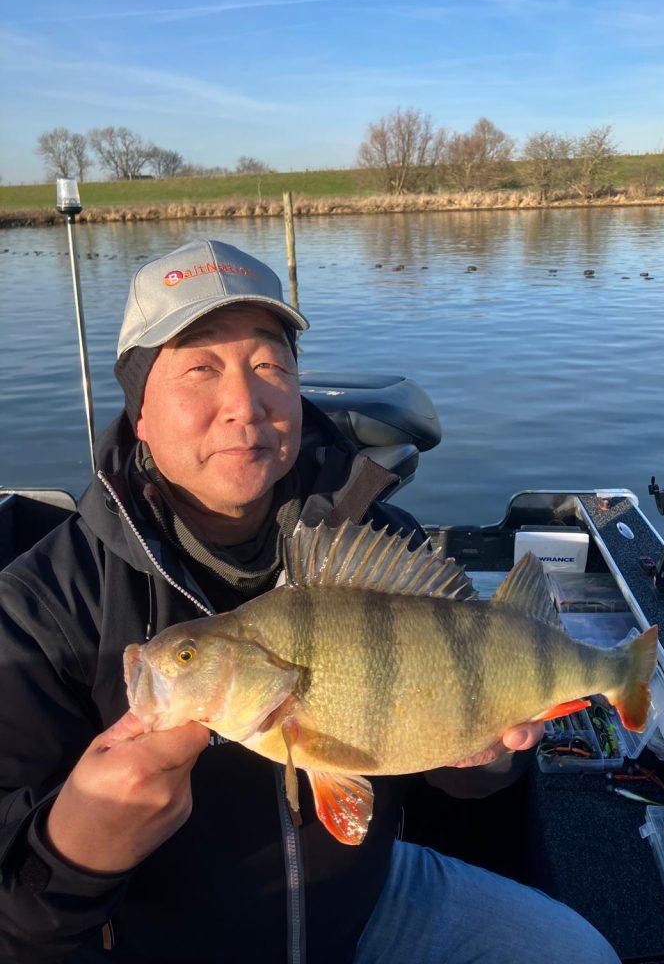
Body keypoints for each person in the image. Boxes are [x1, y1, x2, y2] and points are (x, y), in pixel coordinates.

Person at [0, 239, 620, 963]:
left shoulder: (376, 538)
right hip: (161, 942)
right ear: (141, 410)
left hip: (372, 903)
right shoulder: (42, 606)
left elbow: (463, 769)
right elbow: (16, 920)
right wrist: (76, 849)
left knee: (577, 952)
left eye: (269, 366)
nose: (244, 405)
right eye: (200, 368)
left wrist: (481, 754)